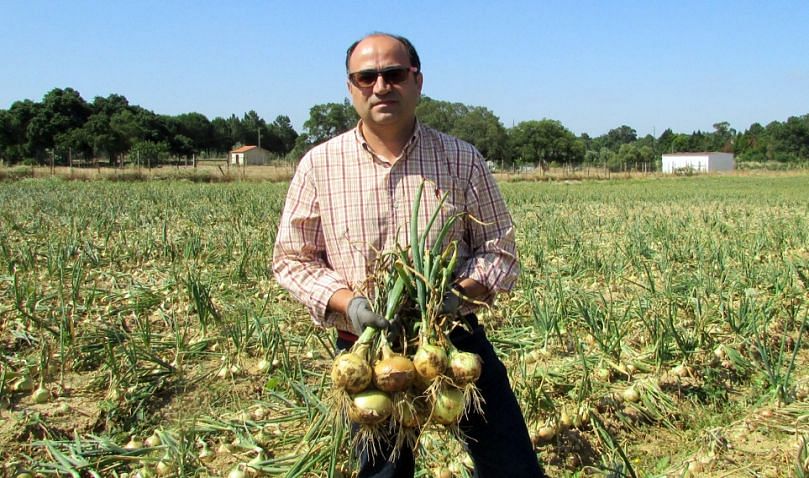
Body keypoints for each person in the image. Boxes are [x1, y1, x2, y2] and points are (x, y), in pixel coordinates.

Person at [273, 32, 545, 478]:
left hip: (454, 339)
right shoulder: (318, 165)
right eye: (366, 77)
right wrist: (350, 304)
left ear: (417, 82)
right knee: (383, 473)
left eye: (394, 74)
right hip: (367, 354)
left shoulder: (462, 159)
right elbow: (291, 258)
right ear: (351, 88)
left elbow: (500, 250)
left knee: (510, 464)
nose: (381, 86)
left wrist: (456, 296)